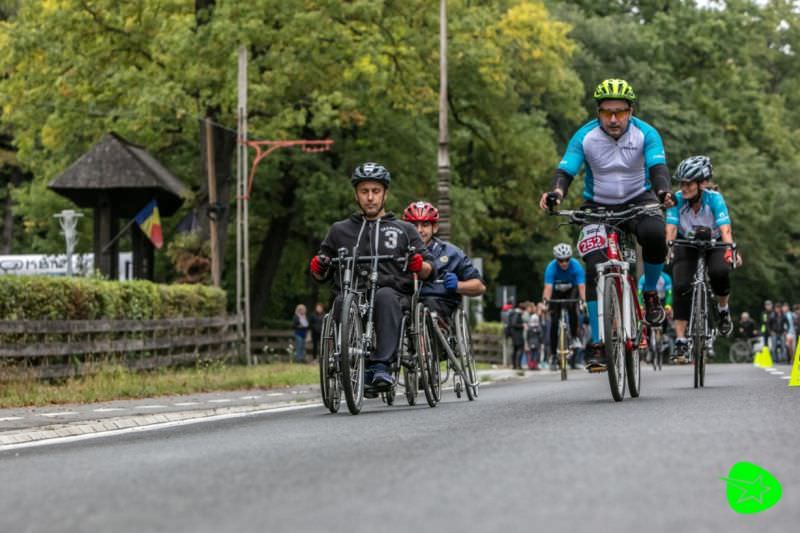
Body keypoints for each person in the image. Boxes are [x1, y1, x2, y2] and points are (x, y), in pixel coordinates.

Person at [539, 78, 674, 372]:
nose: (613, 119)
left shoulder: (645, 133)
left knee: (654, 234)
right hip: (598, 205)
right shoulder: (585, 136)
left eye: (620, 112)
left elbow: (658, 168)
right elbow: (566, 171)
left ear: (630, 111)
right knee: (593, 264)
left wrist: (664, 193)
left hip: (639, 200)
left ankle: (650, 293)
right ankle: (598, 343)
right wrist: (556, 194)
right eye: (607, 112)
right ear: (598, 112)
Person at [309, 162, 435, 389]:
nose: (370, 198)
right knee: (339, 301)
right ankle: (346, 360)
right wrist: (319, 267)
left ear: (385, 194)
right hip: (351, 294)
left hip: (392, 294)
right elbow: (323, 272)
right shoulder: (339, 230)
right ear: (356, 195)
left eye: (375, 191)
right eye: (364, 191)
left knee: (385, 297)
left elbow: (429, 268)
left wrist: (419, 265)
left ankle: (381, 367)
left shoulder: (404, 230)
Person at [665, 155, 736, 363]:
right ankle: (680, 340)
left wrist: (729, 249)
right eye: (682, 183)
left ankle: (723, 311)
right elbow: (670, 227)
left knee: (719, 272)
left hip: (713, 242)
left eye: (688, 183)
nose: (684, 188)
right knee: (680, 284)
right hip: (687, 244)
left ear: (701, 183)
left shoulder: (714, 199)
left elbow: (725, 228)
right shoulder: (676, 199)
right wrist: (668, 247)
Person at [401, 201, 486, 319]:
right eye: (414, 225)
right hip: (406, 303)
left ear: (434, 228)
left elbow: (480, 287)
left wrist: (458, 285)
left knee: (430, 306)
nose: (419, 230)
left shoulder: (452, 253)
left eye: (425, 225)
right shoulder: (397, 250)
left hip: (439, 307)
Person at [541, 243, 586, 370]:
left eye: (567, 259)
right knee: (554, 322)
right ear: (556, 260)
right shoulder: (551, 268)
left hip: (571, 290)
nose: (564, 263)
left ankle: (575, 337)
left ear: (570, 258)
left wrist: (583, 301)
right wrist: (545, 303)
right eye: (561, 260)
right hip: (555, 291)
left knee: (573, 307)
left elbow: (582, 287)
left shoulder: (576, 266)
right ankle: (554, 356)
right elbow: (548, 288)